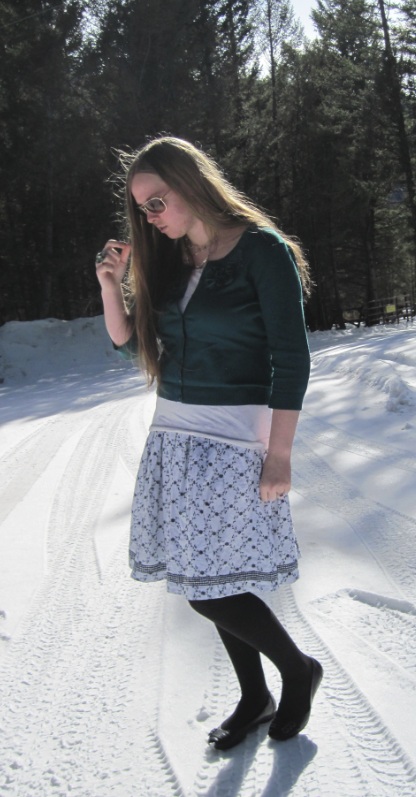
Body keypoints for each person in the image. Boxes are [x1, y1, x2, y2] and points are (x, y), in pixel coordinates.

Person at [95, 136, 323, 752]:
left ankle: (297, 668)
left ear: (192, 183)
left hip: (233, 437)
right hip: (173, 435)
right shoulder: (172, 259)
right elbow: (130, 342)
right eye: (141, 208)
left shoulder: (262, 252)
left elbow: (292, 358)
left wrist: (280, 453)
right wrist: (111, 283)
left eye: (157, 201)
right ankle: (254, 697)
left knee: (209, 586)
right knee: (208, 576)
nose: (150, 217)